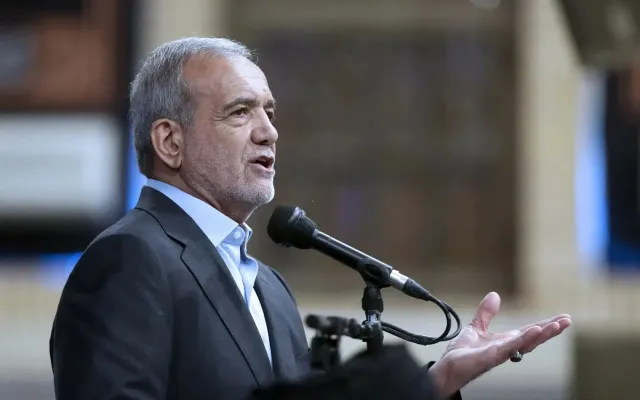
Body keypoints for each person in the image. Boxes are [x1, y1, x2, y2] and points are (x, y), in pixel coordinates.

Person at [49, 37, 572, 400]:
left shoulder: (270, 289)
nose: (268, 131)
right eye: (240, 112)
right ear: (169, 141)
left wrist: (433, 384)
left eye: (269, 112)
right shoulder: (129, 260)